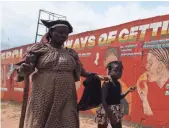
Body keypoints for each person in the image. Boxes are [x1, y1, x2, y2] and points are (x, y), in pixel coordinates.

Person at [15, 19, 99, 128]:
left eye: (66, 33)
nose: (63, 35)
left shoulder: (71, 53)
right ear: (50, 32)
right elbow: (25, 69)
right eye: (59, 32)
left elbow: (80, 70)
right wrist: (23, 71)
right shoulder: (39, 48)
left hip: (67, 96)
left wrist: (91, 75)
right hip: (44, 94)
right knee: (40, 121)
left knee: (68, 120)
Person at [95, 61, 136, 128]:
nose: (118, 72)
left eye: (120, 71)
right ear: (109, 71)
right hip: (105, 110)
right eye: (115, 70)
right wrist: (110, 114)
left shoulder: (118, 84)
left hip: (116, 110)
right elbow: (103, 100)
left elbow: (117, 98)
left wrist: (127, 91)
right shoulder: (107, 84)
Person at [136, 47, 169, 127]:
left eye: (150, 63)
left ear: (161, 66)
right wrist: (144, 99)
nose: (146, 67)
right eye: (147, 63)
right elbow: (148, 118)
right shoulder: (146, 84)